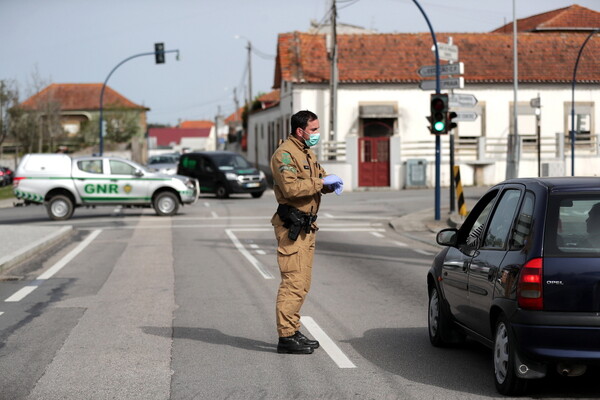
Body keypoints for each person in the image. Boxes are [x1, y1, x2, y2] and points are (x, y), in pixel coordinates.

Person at [270, 110, 343, 354]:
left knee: (302, 284)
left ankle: (293, 328)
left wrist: (329, 183)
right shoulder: (284, 154)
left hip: (307, 225)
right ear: (300, 131)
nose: (317, 134)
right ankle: (286, 337)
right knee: (293, 282)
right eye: (313, 130)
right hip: (292, 226)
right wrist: (320, 183)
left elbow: (318, 179)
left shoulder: (305, 152)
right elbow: (290, 188)